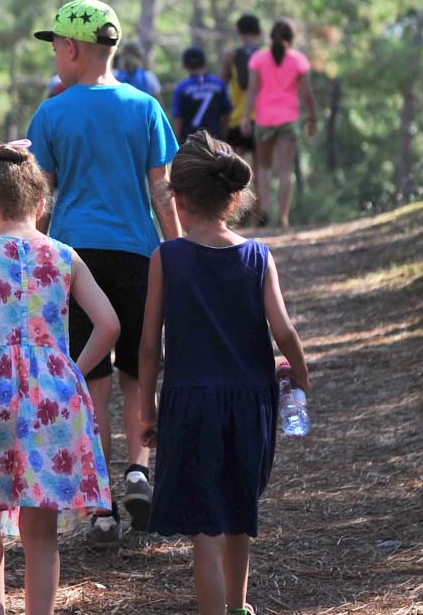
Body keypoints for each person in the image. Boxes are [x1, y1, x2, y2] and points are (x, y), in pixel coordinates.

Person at [137, 131, 310, 615]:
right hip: (251, 403)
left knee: (205, 531)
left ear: (179, 200)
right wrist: (301, 375)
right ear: (234, 198)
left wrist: (146, 407)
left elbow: (149, 343)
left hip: (190, 405)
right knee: (240, 515)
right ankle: (238, 607)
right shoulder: (257, 256)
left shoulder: (167, 258)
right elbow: (285, 330)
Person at [28, 0, 181, 542]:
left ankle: (100, 505)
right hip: (138, 255)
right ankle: (140, 471)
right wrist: (179, 252)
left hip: (75, 261)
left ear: (70, 48)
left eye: (55, 48)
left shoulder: (51, 113)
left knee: (91, 380)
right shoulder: (145, 108)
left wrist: (33, 259)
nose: (55, 59)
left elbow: (38, 202)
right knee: (141, 371)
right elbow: (162, 192)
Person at [0, 141, 120, 615]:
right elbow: (109, 325)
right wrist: (71, 372)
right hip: (52, 394)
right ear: (42, 206)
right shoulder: (65, 255)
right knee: (40, 529)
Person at [239, 20, 317, 228]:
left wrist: (246, 117)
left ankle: (263, 213)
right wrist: (312, 117)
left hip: (264, 119)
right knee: (285, 170)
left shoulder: (258, 59)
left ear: (270, 37)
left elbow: (252, 90)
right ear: (291, 38)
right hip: (288, 120)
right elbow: (306, 93)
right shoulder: (298, 60)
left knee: (263, 169)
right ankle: (283, 217)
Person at [221, 14, 264, 163]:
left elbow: (221, 87)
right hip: (262, 116)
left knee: (235, 169)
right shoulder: (266, 55)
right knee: (261, 168)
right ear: (259, 31)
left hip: (237, 117)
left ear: (239, 31)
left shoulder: (231, 55)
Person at [171, 46, 233, 143]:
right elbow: (226, 114)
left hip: (190, 140)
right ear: (205, 63)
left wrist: (175, 142)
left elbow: (178, 118)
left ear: (184, 66)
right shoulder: (218, 84)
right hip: (215, 139)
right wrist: (223, 136)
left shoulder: (182, 88)